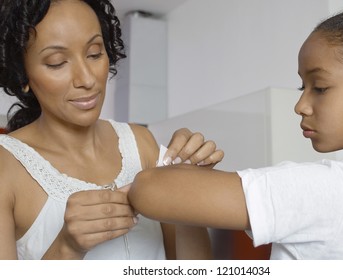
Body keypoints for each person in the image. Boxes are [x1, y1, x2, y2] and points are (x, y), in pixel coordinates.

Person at [128, 7, 343, 260]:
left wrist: (182, 169)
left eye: (320, 87)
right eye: (303, 86)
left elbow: (149, 190)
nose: (300, 106)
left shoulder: (334, 189)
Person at [0, 0, 224, 260]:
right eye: (57, 62)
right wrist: (67, 247)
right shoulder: (6, 167)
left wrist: (189, 194)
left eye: (95, 53)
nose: (87, 79)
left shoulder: (141, 142)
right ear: (23, 75)